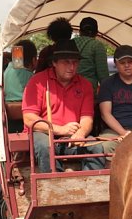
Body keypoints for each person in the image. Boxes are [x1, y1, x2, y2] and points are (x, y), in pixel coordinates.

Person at [21, 18, 105, 173]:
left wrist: (81, 133)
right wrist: (60, 130)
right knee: (45, 147)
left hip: (72, 136)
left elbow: (87, 119)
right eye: (66, 62)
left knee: (96, 147)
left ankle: (90, 185)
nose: (71, 67)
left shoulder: (85, 85)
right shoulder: (37, 82)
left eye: (75, 62)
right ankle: (54, 185)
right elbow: (29, 119)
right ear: (54, 62)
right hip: (45, 134)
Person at [75, 17, 109, 92]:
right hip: (87, 90)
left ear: (80, 31)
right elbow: (103, 75)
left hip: (68, 89)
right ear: (96, 33)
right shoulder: (97, 45)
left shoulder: (70, 43)